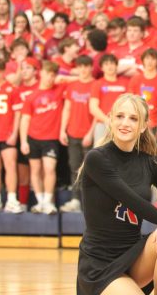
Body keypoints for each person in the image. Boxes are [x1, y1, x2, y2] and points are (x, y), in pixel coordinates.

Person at [77, 94, 157, 294]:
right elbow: (133, 201)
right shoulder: (97, 158)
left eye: (133, 118)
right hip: (100, 263)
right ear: (110, 119)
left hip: (135, 256)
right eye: (120, 116)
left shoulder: (151, 162)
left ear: (144, 125)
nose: (125, 123)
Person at [20, 61, 65, 215]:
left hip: (51, 138)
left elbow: (78, 80)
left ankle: (47, 201)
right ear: (41, 73)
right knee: (35, 170)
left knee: (49, 169)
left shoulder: (59, 90)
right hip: (33, 137)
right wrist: (24, 140)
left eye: (53, 75)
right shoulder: (31, 96)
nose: (50, 78)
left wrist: (61, 78)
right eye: (48, 74)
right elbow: (25, 119)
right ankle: (40, 202)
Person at [59, 55, 96, 213]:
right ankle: (75, 200)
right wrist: (62, 129)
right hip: (73, 132)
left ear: (91, 68)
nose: (84, 69)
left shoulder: (95, 84)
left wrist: (90, 133)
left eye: (86, 66)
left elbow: (96, 113)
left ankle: (91, 203)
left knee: (91, 171)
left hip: (89, 134)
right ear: (78, 68)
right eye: (81, 66)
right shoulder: (72, 85)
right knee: (74, 167)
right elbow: (66, 108)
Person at [0, 59, 23, 213]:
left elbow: (18, 113)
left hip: (7, 134)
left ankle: (12, 199)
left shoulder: (12, 89)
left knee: (11, 166)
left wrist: (14, 133)